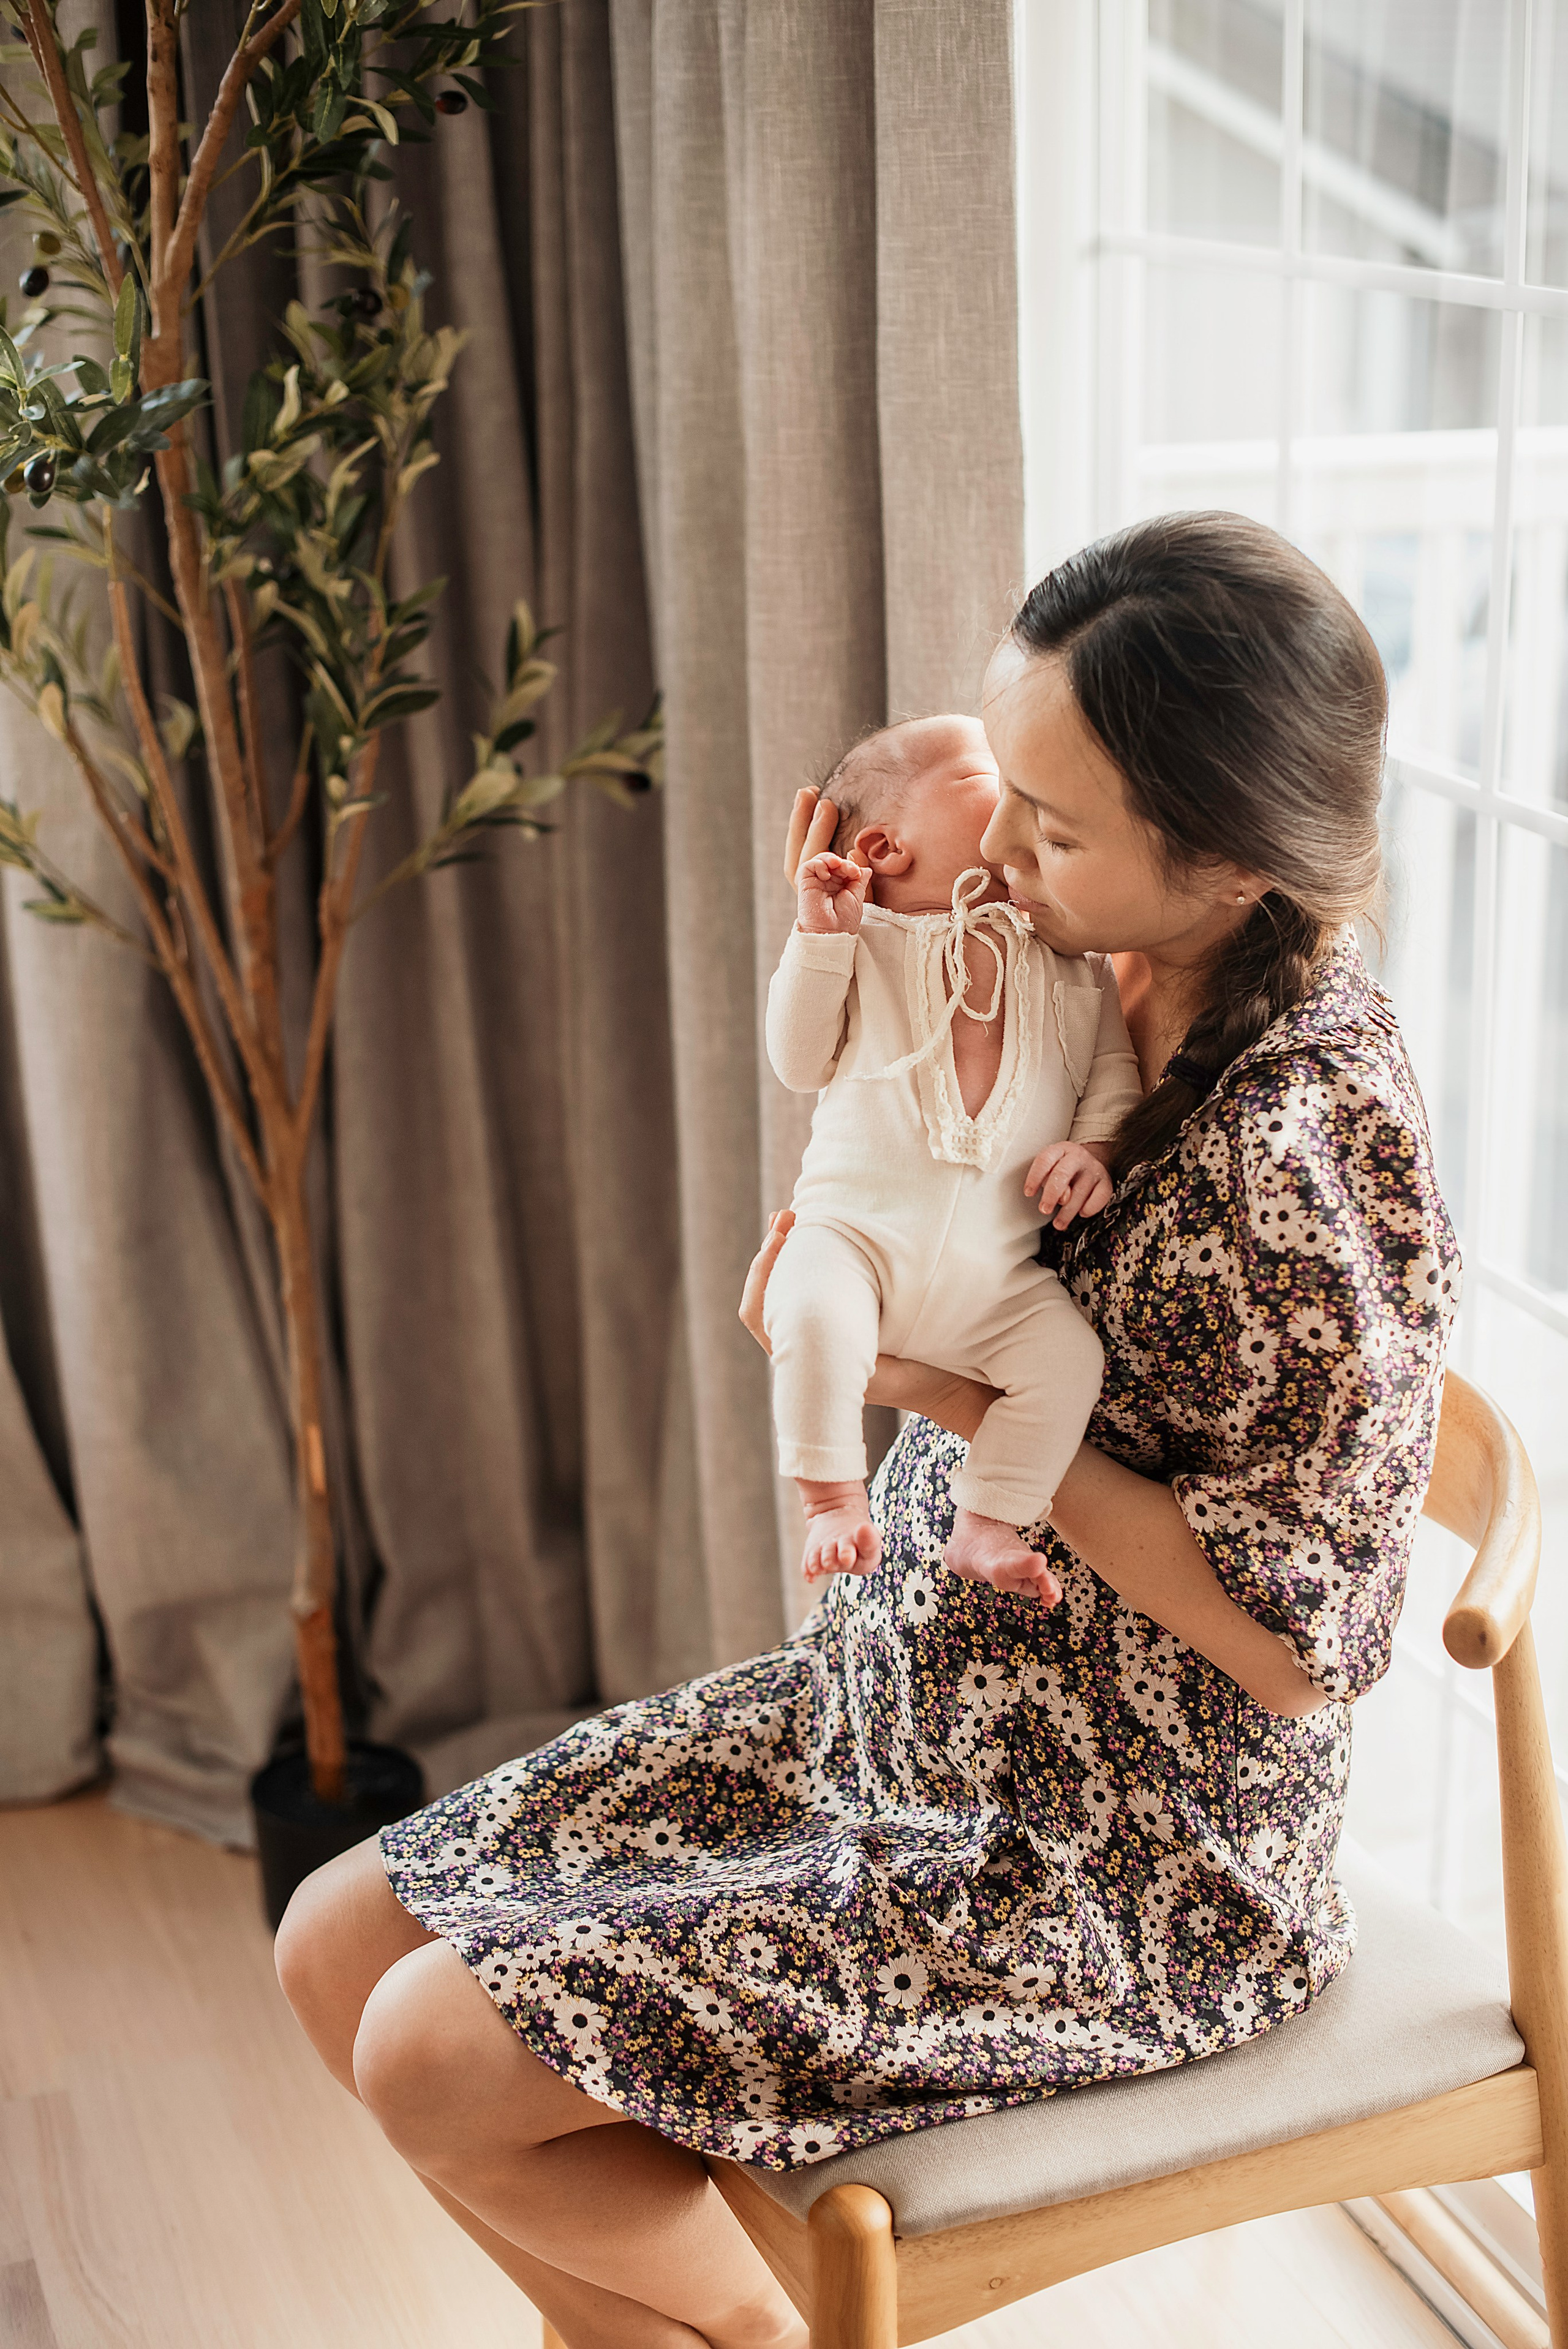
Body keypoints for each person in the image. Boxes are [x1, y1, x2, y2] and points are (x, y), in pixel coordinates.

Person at [273, 513, 1458, 2349]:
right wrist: (857, 927)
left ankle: (742, 2334)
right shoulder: (1082, 948)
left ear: (1227, 861)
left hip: (1111, 1856)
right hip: (898, 1708)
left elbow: (1300, 1657)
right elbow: (894, 1049)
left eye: (1050, 827)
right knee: (330, 1942)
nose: (1002, 848)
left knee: (433, 2045)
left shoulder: (1295, 1155)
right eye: (1012, 795)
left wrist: (947, 1398)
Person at [765, 711, 1140, 1588]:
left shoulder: (1071, 962)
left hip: (998, 1281)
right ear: (886, 848)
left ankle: (989, 1519)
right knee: (811, 1309)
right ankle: (830, 1498)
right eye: (990, 781)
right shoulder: (864, 944)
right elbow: (797, 1059)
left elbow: (1113, 1073)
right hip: (852, 1239)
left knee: (1066, 1360)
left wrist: (1096, 1149)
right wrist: (819, 938)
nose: (1021, 804)